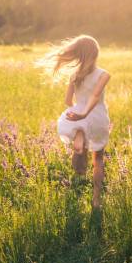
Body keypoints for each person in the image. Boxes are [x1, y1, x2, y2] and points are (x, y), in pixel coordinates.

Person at [38, 35, 111, 208]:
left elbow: (68, 100)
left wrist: (79, 111)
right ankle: (96, 200)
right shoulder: (104, 75)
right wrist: (86, 113)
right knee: (98, 159)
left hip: (79, 114)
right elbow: (95, 96)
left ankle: (79, 137)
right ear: (96, 54)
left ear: (78, 54)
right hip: (97, 116)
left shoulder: (74, 75)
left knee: (80, 152)